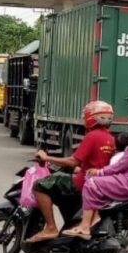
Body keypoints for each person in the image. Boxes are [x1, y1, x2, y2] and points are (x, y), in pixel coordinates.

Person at [62, 109, 128, 240]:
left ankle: (85, 226)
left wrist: (100, 172)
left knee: (91, 183)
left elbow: (121, 165)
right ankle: (96, 216)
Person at [27, 100, 116, 242]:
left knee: (40, 185)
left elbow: (73, 161)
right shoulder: (110, 138)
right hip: (96, 182)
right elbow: (98, 162)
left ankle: (50, 228)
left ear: (92, 117)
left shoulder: (92, 136)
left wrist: (47, 157)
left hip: (81, 183)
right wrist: (79, 168)